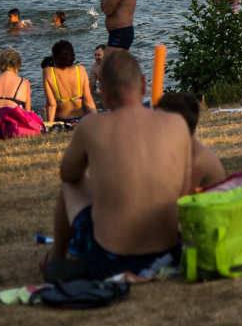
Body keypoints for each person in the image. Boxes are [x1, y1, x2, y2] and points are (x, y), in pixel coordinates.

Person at [46, 48, 191, 278]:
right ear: (144, 84)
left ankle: (57, 258)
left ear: (102, 92)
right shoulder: (176, 123)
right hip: (168, 253)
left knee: (70, 187)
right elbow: (185, 190)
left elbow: (68, 175)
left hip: (111, 260)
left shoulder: (91, 126)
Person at [154, 92, 227, 195]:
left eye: (159, 118)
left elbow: (173, 198)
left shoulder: (197, 159)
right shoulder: (187, 147)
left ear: (176, 122)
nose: (155, 122)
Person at [42, 39, 96, 124]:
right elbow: (88, 100)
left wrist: (50, 126)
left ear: (55, 57)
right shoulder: (80, 70)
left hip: (61, 120)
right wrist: (96, 119)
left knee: (43, 111)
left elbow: (51, 104)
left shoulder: (48, 72)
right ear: (72, 56)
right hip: (81, 119)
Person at [0, 49, 32, 130]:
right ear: (18, 64)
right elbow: (27, 112)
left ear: (0, 64)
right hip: (15, 130)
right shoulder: (24, 82)